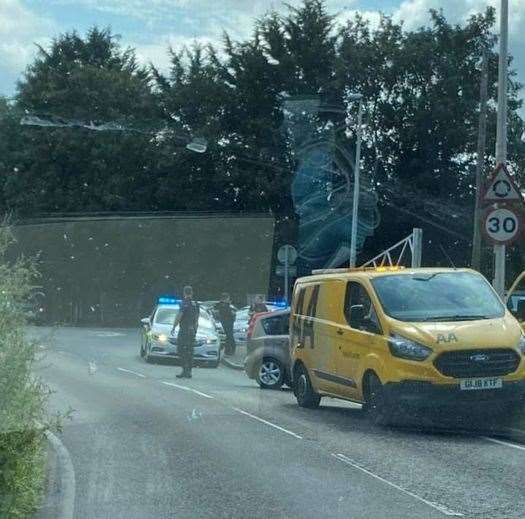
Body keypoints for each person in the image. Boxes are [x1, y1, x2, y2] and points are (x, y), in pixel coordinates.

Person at [172, 286, 200, 378]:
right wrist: (195, 330)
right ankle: (189, 371)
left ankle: (185, 369)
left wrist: (173, 327)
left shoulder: (184, 303)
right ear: (192, 292)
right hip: (192, 330)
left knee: (181, 349)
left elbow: (180, 315)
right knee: (190, 351)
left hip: (184, 330)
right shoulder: (195, 304)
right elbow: (197, 319)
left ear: (184, 293)